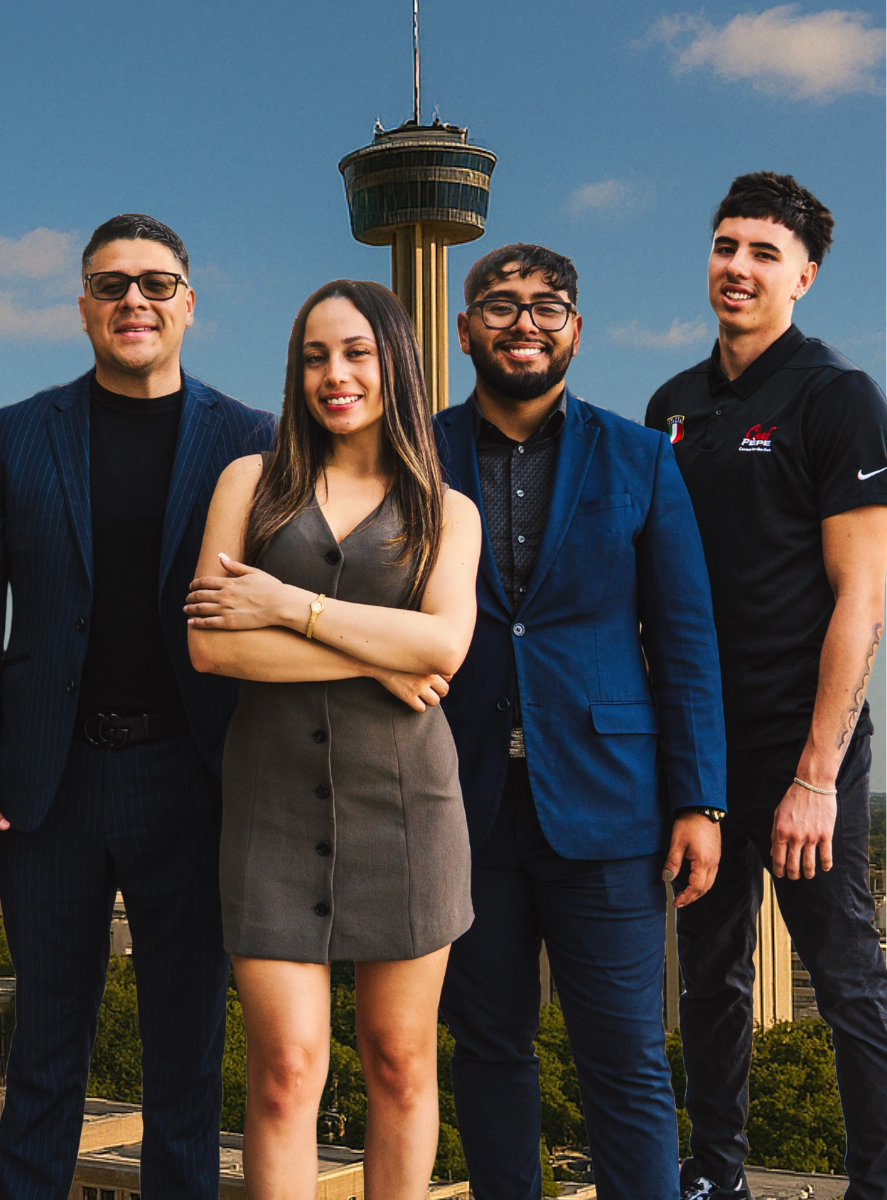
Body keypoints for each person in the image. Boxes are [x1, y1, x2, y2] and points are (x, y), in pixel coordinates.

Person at [0, 214, 276, 1200]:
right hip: (51, 784)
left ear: (189, 304)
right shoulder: (9, 441)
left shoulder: (254, 441)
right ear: (82, 305)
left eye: (157, 284)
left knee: (185, 1069)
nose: (135, 302)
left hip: (196, 782)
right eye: (113, 285)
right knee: (42, 1060)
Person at [432, 244, 727, 1198]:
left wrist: (701, 802)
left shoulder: (639, 455)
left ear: (577, 330)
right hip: (458, 800)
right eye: (502, 304)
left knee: (627, 1059)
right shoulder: (413, 450)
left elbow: (685, 638)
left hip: (610, 806)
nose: (525, 322)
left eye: (548, 306)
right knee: (487, 1049)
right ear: (464, 325)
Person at [185, 279, 481, 1199]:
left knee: (399, 1062)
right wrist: (376, 658)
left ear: (395, 362)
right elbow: (209, 645)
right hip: (270, 812)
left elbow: (442, 647)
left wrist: (285, 605)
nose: (334, 374)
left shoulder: (448, 510)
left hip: (408, 813)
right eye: (315, 356)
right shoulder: (249, 481)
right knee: (283, 1073)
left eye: (356, 352)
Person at [646, 172, 887, 1200]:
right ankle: (718, 1172)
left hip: (803, 749)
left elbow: (861, 601)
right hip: (699, 752)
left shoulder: (836, 398)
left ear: (804, 277)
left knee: (843, 982)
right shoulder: (673, 408)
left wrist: (819, 777)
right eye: (723, 246)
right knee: (709, 976)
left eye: (760, 253)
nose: (735, 268)